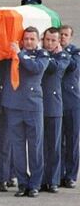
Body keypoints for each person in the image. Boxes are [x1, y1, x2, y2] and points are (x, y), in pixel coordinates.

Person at [3, 26, 49, 197]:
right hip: (14, 106)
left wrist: (19, 54)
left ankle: (35, 183)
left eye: (32, 39)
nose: (29, 42)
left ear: (37, 40)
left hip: (33, 106)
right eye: (26, 39)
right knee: (18, 147)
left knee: (35, 146)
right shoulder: (13, 54)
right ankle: (22, 183)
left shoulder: (42, 55)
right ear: (22, 40)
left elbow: (35, 68)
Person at [40, 28, 70, 193]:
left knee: (54, 145)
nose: (49, 43)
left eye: (53, 40)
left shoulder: (63, 57)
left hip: (54, 107)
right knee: (40, 146)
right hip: (38, 106)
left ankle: (53, 180)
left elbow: (52, 67)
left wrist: (42, 53)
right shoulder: (40, 55)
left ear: (59, 42)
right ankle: (42, 179)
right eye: (47, 40)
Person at [60, 25, 80, 188]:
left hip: (72, 101)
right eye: (61, 34)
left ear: (70, 37)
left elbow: (73, 66)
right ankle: (58, 173)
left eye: (66, 35)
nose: (63, 37)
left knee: (72, 139)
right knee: (58, 141)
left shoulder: (75, 52)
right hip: (56, 102)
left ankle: (71, 174)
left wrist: (61, 52)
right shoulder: (52, 52)